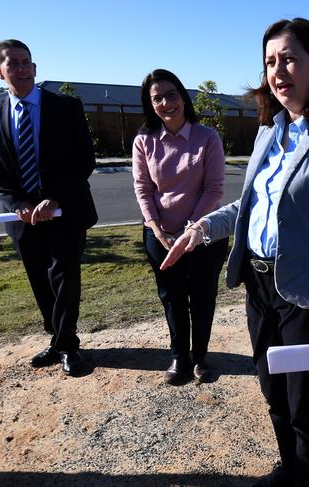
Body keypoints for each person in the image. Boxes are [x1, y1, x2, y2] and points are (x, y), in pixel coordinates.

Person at [161, 18, 309, 486]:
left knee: (306, 403)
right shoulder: (269, 130)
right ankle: (290, 467)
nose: (278, 71)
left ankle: (307, 479)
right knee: (273, 391)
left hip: (305, 294)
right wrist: (202, 228)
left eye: (289, 59)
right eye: (270, 61)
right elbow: (250, 204)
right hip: (259, 286)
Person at [0, 40, 97, 376]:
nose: (21, 69)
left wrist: (55, 198)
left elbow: (84, 160)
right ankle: (57, 339)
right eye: (13, 63)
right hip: (21, 217)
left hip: (66, 210)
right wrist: (18, 202)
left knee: (64, 278)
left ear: (35, 68)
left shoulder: (66, 106)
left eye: (26, 62)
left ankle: (68, 345)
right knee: (39, 280)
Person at [132, 69, 228, 385]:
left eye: (171, 95)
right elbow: (143, 188)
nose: (166, 103)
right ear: (150, 104)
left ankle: (200, 356)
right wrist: (157, 229)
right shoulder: (144, 141)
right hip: (160, 235)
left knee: (202, 297)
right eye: (157, 98)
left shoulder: (207, 138)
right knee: (171, 297)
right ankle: (179, 356)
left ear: (183, 98)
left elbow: (214, 189)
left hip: (203, 235)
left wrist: (191, 229)